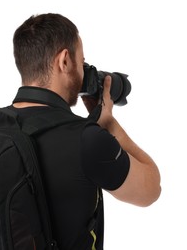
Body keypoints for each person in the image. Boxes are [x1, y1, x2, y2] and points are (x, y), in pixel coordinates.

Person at [9, 13, 161, 250]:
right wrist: (109, 124)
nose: (83, 71)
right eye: (82, 62)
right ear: (65, 61)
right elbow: (151, 189)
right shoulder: (85, 140)